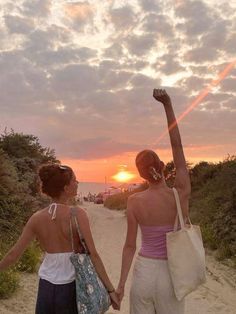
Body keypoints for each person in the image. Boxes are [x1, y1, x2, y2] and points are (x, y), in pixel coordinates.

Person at [0, 164, 119, 313]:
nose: (77, 183)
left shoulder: (36, 218)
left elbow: (13, 255)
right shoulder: (78, 214)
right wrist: (110, 290)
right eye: (74, 180)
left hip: (46, 288)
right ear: (65, 188)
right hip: (71, 287)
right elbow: (93, 255)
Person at [116, 89, 191, 314]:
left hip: (144, 274)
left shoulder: (134, 201)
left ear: (141, 175)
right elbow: (177, 147)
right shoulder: (180, 193)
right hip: (171, 274)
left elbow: (130, 246)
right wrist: (167, 105)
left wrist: (120, 287)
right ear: (162, 166)